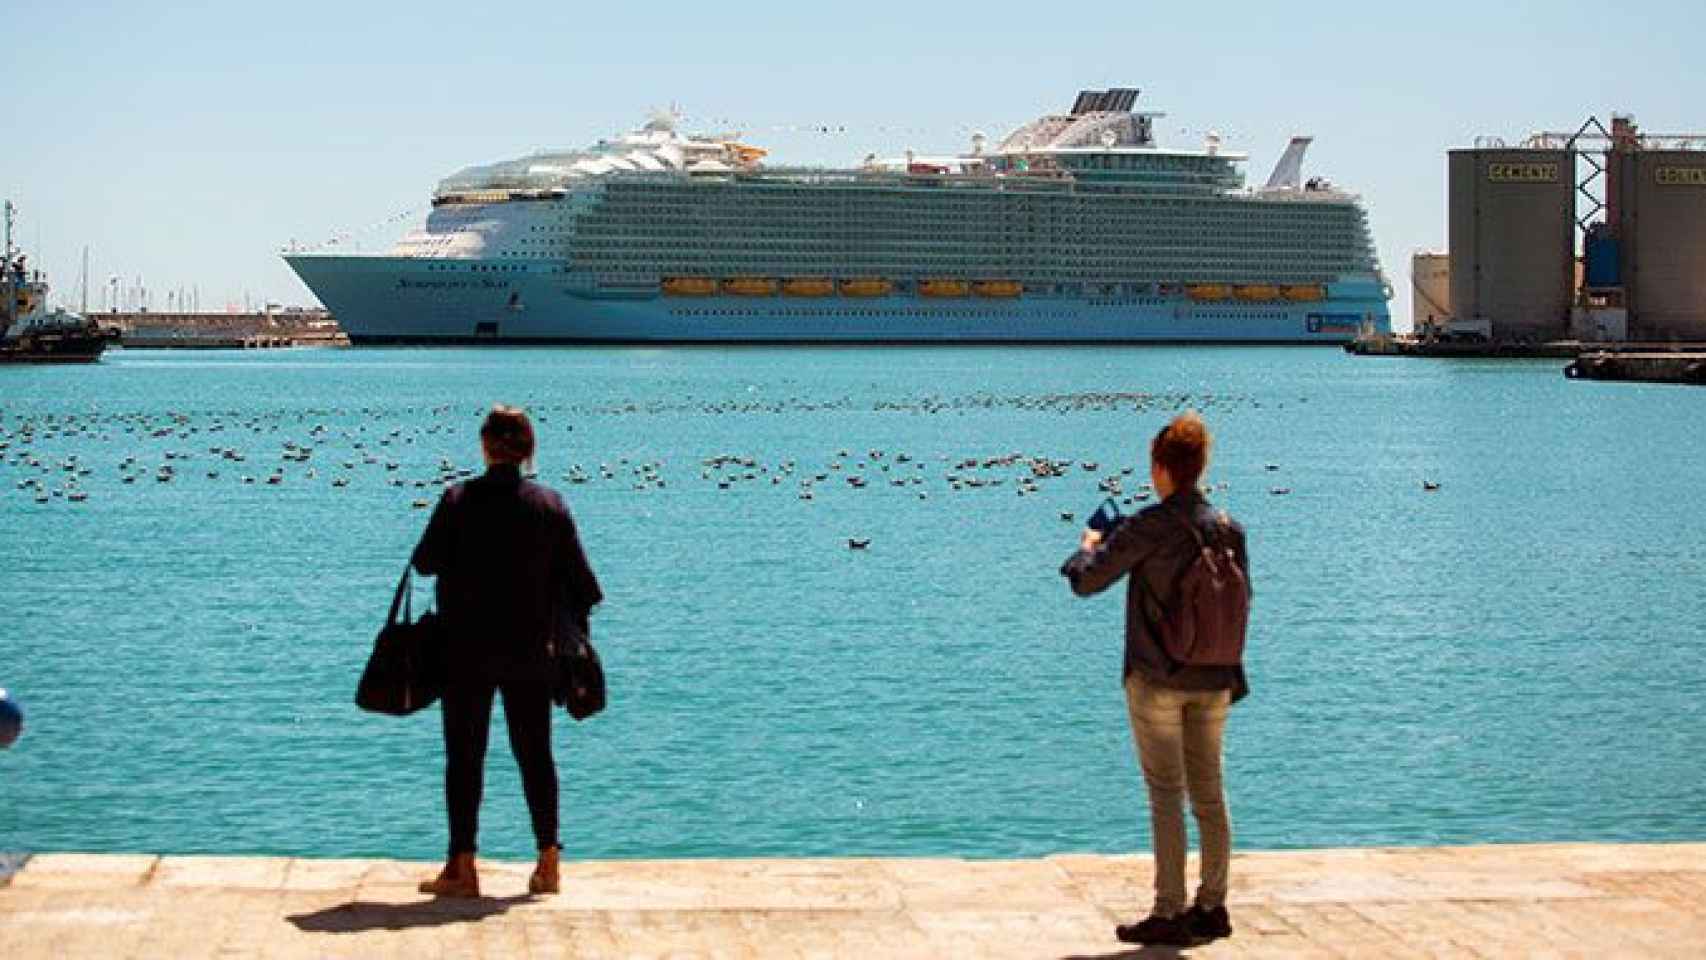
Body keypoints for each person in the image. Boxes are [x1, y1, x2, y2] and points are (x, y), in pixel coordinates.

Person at [1061, 412, 1249, 947]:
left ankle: (1168, 910)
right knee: (1211, 794)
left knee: (1167, 793)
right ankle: (1212, 906)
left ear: (1162, 469)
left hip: (1158, 677)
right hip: (1216, 675)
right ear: (1202, 466)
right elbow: (1241, 603)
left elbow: (1088, 583)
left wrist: (1089, 544)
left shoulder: (1150, 524)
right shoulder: (1229, 529)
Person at [411, 405, 603, 897]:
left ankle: (462, 867)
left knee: (465, 757)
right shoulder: (550, 506)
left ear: (485, 446)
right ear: (529, 450)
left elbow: (425, 563)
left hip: (466, 649)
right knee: (536, 753)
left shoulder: (457, 500)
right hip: (530, 650)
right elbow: (584, 584)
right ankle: (548, 862)